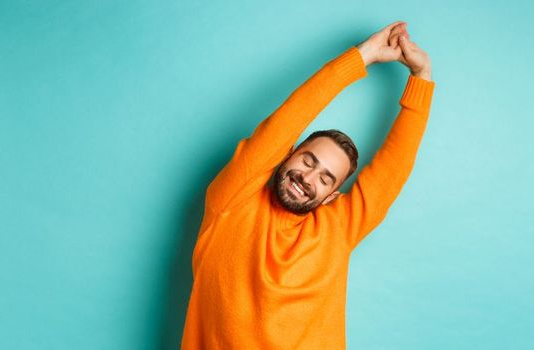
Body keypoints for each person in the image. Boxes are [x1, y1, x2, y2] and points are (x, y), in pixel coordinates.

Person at [181, 21, 435, 349]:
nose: (308, 178)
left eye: (325, 178)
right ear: (287, 154)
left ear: (332, 196)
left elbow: (394, 167)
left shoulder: (336, 229)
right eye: (308, 161)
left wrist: (422, 77)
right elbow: (289, 118)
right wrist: (363, 56)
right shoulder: (233, 198)